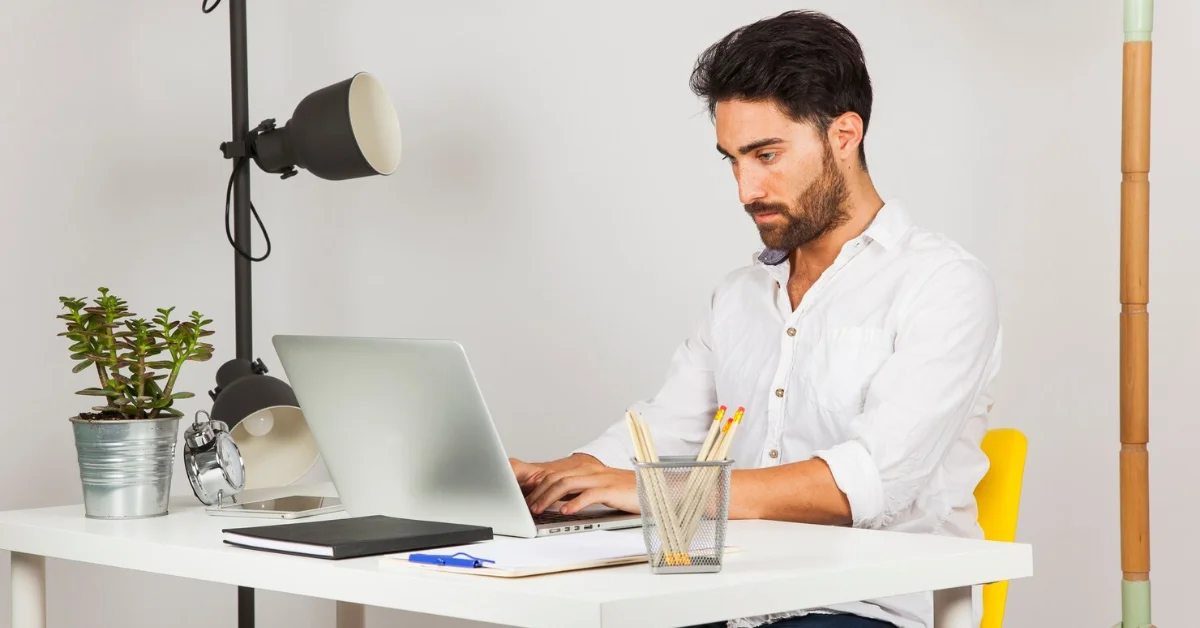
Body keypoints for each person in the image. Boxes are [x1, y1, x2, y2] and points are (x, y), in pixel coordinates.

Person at [509, 9, 1001, 628]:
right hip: (728, 598)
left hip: (863, 607)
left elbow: (869, 483)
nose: (746, 189)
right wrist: (555, 478)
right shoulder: (738, 298)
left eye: (766, 155)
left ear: (844, 135)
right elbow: (663, 435)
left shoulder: (943, 285)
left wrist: (651, 491)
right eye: (732, 160)